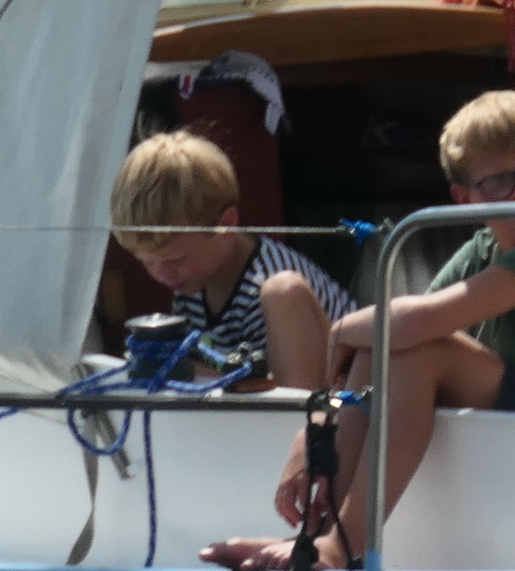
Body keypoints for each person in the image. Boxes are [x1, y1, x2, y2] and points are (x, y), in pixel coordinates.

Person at [204, 89, 515, 571]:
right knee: (381, 348)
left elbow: (422, 321)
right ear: (463, 197)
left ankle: (341, 547)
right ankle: (321, 535)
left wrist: (339, 330)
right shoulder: (483, 251)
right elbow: (397, 331)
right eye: (498, 183)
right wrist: (316, 428)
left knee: (414, 348)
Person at [108, 132, 353, 391]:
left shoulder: (265, 286)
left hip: (330, 409)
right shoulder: (191, 284)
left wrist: (183, 368)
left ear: (225, 225)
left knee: (284, 291)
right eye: (147, 262)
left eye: (175, 259)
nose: (162, 274)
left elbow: (291, 393)